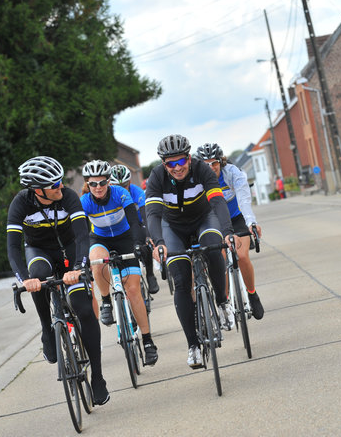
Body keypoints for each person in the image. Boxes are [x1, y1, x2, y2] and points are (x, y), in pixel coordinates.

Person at [7, 156, 109, 405]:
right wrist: (24, 280)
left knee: (84, 309)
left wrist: (78, 268)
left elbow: (83, 236)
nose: (60, 187)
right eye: (54, 185)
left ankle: (97, 378)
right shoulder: (20, 203)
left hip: (70, 250)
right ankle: (46, 327)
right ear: (37, 189)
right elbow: (12, 248)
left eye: (60, 181)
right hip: (39, 251)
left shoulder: (68, 196)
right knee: (38, 277)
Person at [145, 134, 237, 369]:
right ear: (164, 164)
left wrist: (227, 231)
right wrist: (158, 242)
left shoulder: (202, 170)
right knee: (182, 280)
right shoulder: (157, 177)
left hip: (204, 219)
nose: (177, 168)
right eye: (170, 164)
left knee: (213, 248)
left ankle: (223, 301)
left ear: (188, 157)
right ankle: (193, 346)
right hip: (172, 226)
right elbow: (153, 214)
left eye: (181, 161)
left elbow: (217, 203)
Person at [80, 160, 158, 366]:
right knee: (96, 261)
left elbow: (134, 222)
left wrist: (139, 244)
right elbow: (79, 233)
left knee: (133, 291)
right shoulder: (85, 201)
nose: (98, 187)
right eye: (93, 184)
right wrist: (81, 259)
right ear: (87, 184)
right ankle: (106, 300)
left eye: (102, 182)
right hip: (100, 239)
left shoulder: (120, 194)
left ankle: (148, 341)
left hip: (125, 238)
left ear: (108, 181)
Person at [196, 143, 265, 319]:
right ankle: (224, 302)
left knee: (242, 256)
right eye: (206, 165)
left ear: (221, 162)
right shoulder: (198, 180)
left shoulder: (233, 173)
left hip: (236, 218)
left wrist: (251, 222)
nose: (211, 168)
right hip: (215, 222)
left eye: (214, 163)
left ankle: (252, 294)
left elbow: (244, 200)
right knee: (220, 260)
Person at [109, 164, 159, 294]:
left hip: (137, 223)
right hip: (120, 228)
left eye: (124, 185)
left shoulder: (137, 192)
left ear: (130, 182)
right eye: (117, 186)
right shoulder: (109, 196)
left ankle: (150, 274)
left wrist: (148, 235)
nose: (122, 189)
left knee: (145, 244)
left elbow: (145, 215)